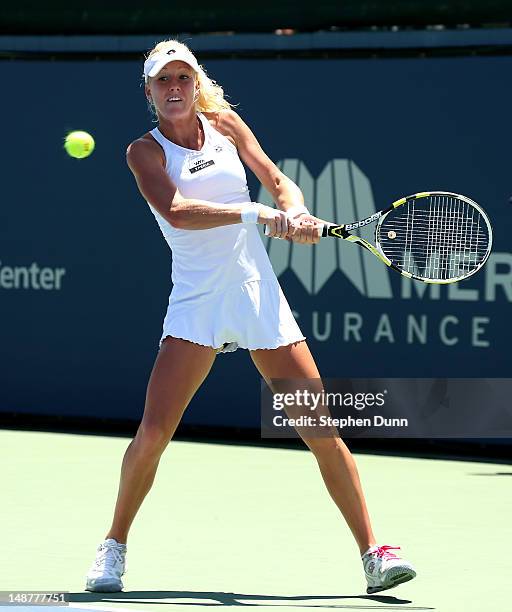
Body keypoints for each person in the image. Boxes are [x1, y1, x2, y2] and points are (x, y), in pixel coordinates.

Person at [85, 40, 416, 595]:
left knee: (319, 428)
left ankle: (373, 555)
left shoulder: (226, 125)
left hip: (258, 294)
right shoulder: (142, 152)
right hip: (198, 302)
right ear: (148, 92)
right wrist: (255, 211)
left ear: (195, 85)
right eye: (162, 81)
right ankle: (113, 546)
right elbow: (178, 211)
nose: (173, 89)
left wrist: (294, 208)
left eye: (181, 79)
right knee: (155, 431)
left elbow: (277, 178)